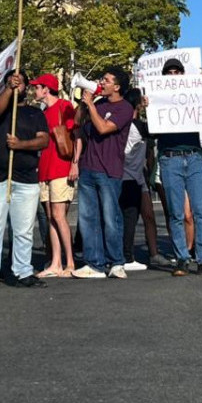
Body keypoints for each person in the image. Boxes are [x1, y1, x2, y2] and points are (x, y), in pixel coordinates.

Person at [0, 72, 49, 291]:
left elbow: (43, 140)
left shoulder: (34, 113)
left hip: (25, 178)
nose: (17, 86)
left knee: (24, 229)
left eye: (20, 83)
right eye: (11, 82)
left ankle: (23, 270)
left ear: (26, 87)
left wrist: (21, 145)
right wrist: (9, 89)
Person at [154, 58, 202, 278]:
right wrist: (147, 106)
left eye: (177, 71)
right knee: (176, 213)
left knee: (200, 210)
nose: (174, 75)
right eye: (169, 72)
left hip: (194, 157)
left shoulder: (194, 96)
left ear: (183, 74)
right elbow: (151, 131)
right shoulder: (157, 99)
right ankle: (182, 258)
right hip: (169, 157)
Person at [71, 67, 134, 279]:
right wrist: (84, 103)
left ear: (117, 87)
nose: (102, 82)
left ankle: (116, 262)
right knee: (88, 218)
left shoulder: (124, 108)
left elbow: (104, 128)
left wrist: (91, 105)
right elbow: (79, 123)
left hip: (109, 170)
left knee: (110, 217)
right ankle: (94, 263)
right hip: (88, 167)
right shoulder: (98, 104)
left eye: (106, 80)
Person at [30, 73, 77, 278]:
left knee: (59, 215)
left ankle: (70, 262)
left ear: (46, 89)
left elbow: (75, 136)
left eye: (37, 87)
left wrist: (74, 164)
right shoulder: (43, 112)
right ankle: (56, 262)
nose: (34, 91)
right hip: (45, 169)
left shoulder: (64, 106)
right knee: (50, 217)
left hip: (60, 167)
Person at [119, 88, 161, 270]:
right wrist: (151, 109)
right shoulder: (136, 125)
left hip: (134, 176)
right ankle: (127, 257)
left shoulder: (123, 124)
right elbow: (156, 130)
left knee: (142, 215)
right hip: (130, 178)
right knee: (130, 217)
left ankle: (146, 253)